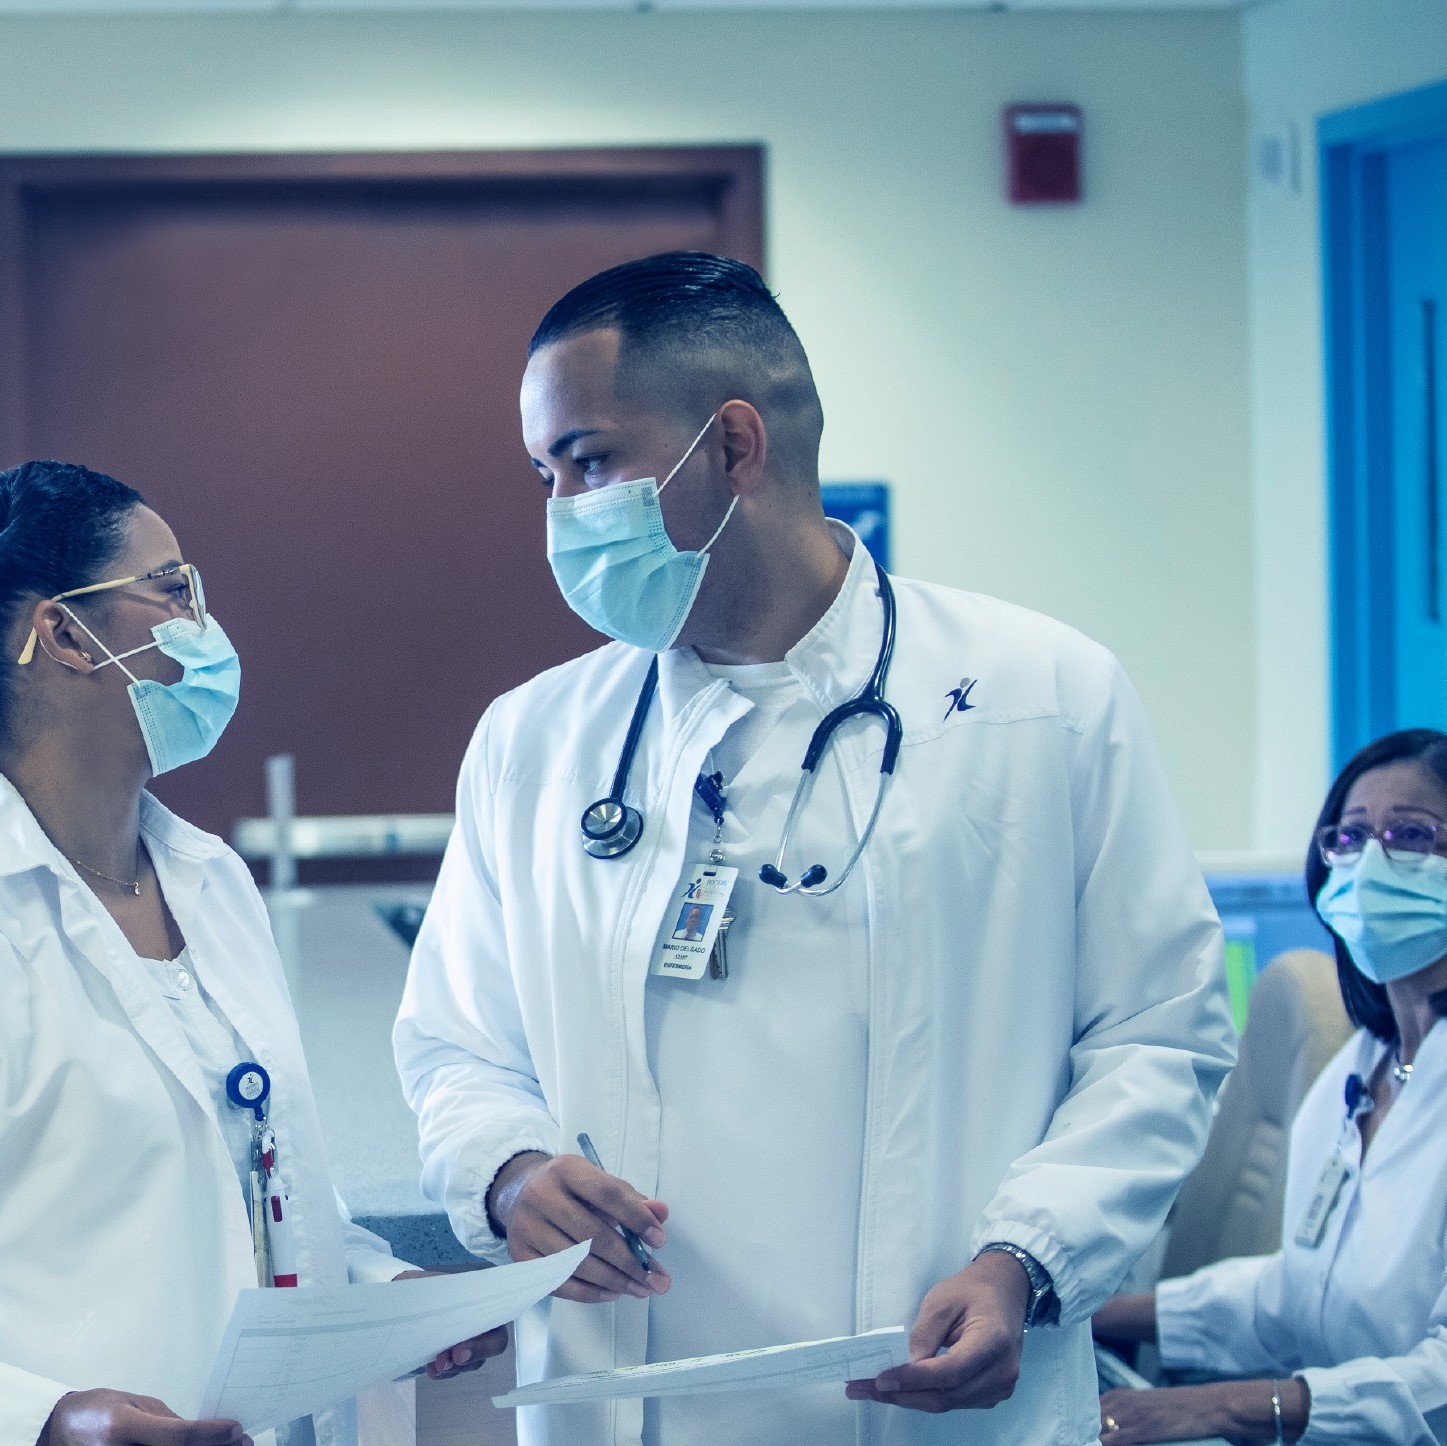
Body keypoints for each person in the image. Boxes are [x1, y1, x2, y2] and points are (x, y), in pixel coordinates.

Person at [393, 252, 1236, 1446]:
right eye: (546, 473)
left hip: (937, 1398)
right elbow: (456, 1043)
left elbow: (1158, 1034)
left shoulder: (1039, 697)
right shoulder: (535, 740)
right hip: (619, 1401)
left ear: (734, 446)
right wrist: (507, 1173)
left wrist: (1026, 1259)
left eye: (591, 460)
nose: (563, 509)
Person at [0, 461, 507, 1446]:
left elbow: (259, 1189)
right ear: (64, 634)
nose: (203, 624)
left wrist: (382, 1289)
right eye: (172, 589)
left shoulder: (212, 882)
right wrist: (47, 1419)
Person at [1094, 727, 1447, 1446]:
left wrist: (1236, 1406)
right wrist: (1090, 1314)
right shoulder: (1362, 1069)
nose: (1370, 863)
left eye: (1411, 835)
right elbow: (1298, 1294)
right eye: (1350, 838)